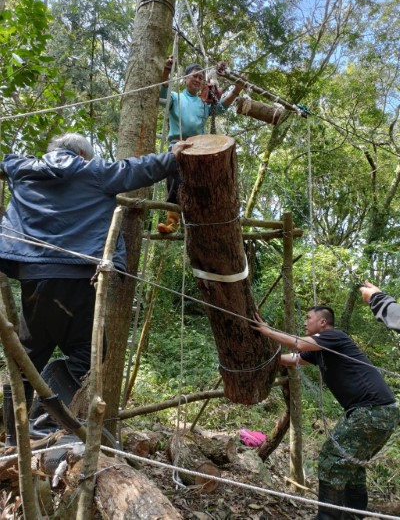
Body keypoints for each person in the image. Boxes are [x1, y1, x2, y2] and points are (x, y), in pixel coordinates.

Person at [0, 132, 191, 444]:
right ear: (82, 155)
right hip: (76, 278)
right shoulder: (93, 172)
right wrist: (172, 156)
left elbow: (7, 162)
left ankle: (13, 436)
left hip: (33, 277)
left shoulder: (24, 169)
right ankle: (43, 422)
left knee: (28, 357)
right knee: (89, 353)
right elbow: (136, 169)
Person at [252, 306, 399, 520]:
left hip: (372, 411)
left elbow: (299, 343)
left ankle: (327, 517)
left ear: (322, 323)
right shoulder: (321, 349)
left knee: (330, 460)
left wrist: (267, 331)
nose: (305, 322)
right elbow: (295, 358)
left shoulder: (333, 336)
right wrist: (267, 360)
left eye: (308, 318)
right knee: (351, 464)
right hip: (381, 413)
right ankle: (353, 516)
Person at [157, 58, 244, 233]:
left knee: (201, 184)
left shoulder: (204, 103)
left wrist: (236, 90)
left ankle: (203, 222)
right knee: (175, 181)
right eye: (194, 76)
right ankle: (172, 221)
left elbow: (221, 108)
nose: (198, 80)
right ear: (185, 78)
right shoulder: (176, 97)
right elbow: (162, 96)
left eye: (200, 77)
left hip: (199, 148)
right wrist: (166, 70)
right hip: (177, 145)